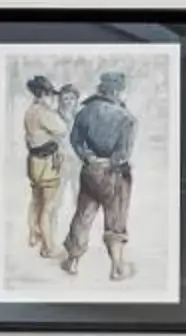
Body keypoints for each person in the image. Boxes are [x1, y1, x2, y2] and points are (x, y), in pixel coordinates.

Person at [61, 72, 137, 281]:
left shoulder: (84, 112)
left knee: (83, 216)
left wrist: (90, 158)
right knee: (116, 220)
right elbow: (123, 153)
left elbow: (76, 141)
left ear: (102, 89)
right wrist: (109, 162)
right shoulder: (127, 118)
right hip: (116, 175)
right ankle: (117, 267)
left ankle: (73, 262)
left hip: (90, 171)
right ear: (117, 91)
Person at [20, 74, 78, 255]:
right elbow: (61, 129)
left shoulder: (30, 111)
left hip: (34, 161)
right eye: (51, 95)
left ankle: (33, 234)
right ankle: (48, 247)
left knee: (36, 200)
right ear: (44, 94)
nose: (53, 99)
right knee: (49, 206)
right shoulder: (44, 113)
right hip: (46, 163)